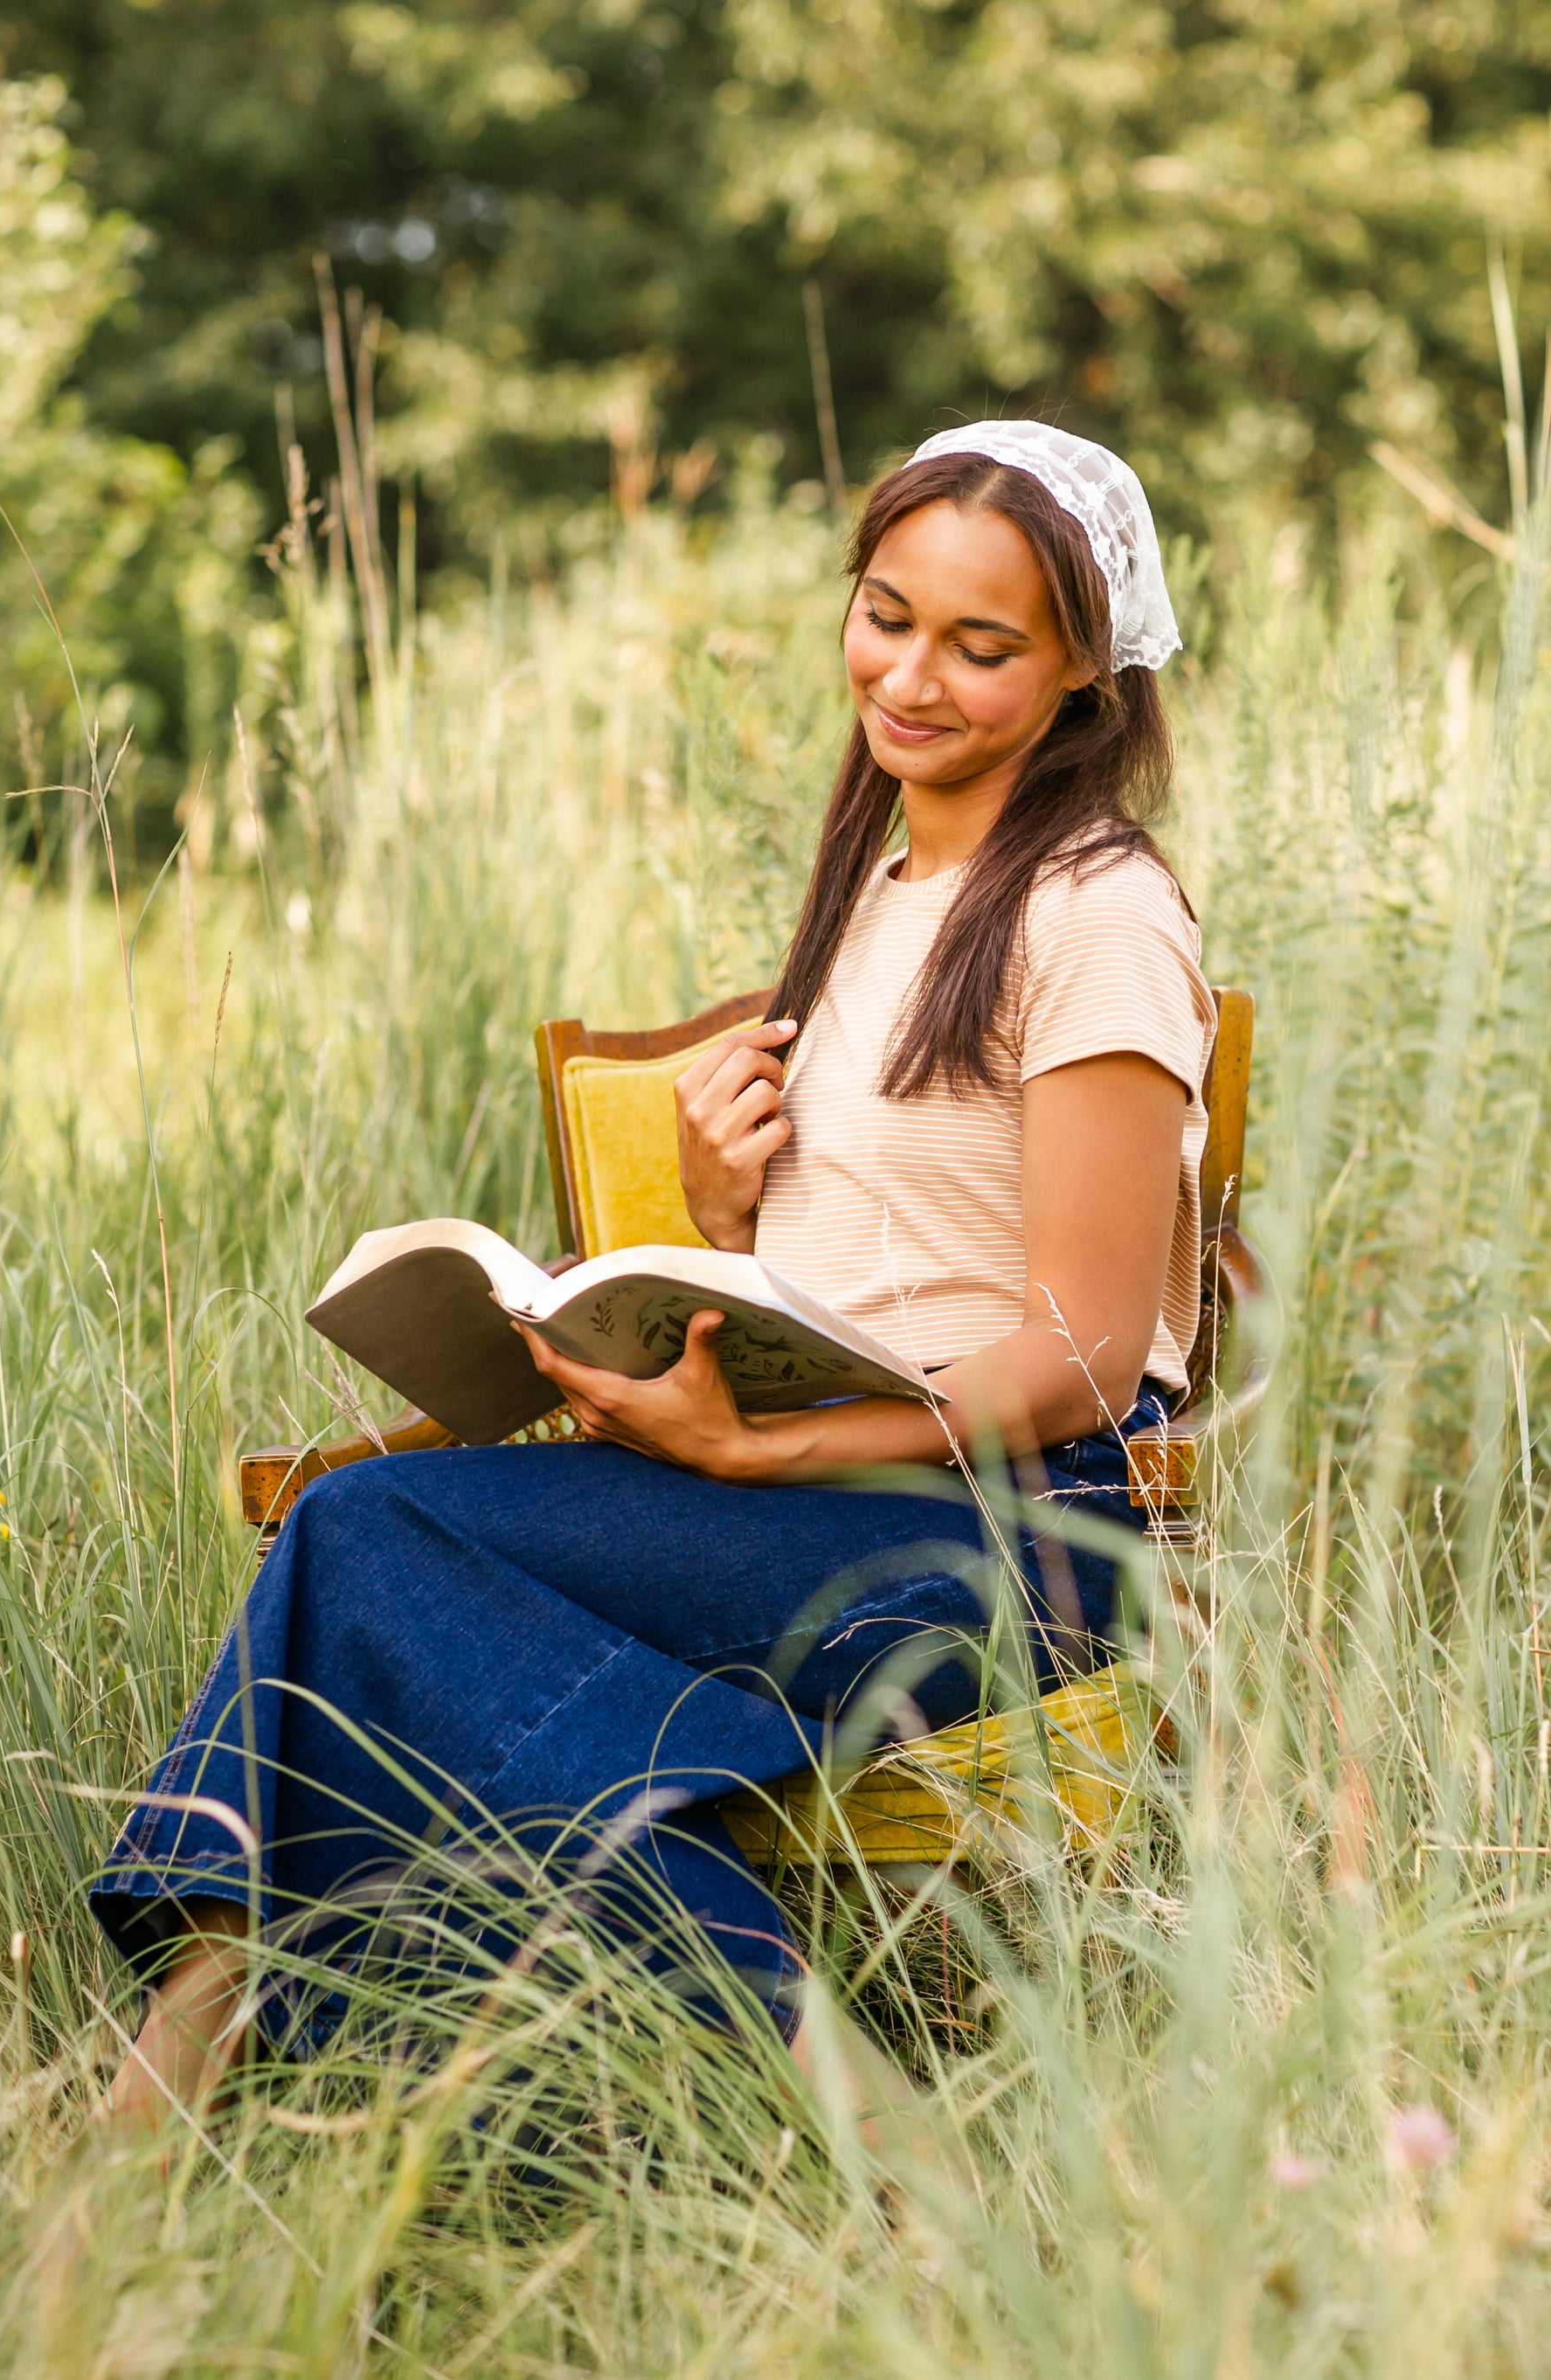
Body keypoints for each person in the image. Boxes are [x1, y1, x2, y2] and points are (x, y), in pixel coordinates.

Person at [93, 420, 1215, 2123]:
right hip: (837, 1486)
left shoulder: (1091, 911)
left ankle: (185, 2059)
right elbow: (862, 1292)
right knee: (400, 1589)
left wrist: (753, 1452)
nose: (908, 676)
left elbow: (1078, 1347)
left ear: (1080, 670)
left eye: (980, 648)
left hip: (1011, 1530)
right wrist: (714, 1205)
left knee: (362, 1536)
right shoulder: (888, 886)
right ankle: (811, 2090)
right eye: (885, 614)